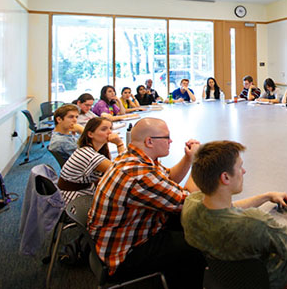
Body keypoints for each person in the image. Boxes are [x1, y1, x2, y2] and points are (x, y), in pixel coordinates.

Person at [181, 141, 287, 289]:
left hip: (227, 277)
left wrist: (266, 196)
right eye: (240, 166)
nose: (244, 171)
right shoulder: (252, 223)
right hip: (273, 277)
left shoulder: (191, 206)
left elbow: (229, 208)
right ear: (225, 177)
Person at [88, 118, 205, 287]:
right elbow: (188, 200)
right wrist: (196, 162)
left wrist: (187, 159)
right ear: (149, 141)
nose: (171, 141)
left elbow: (169, 177)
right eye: (167, 137)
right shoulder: (138, 174)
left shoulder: (132, 158)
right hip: (124, 255)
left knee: (188, 223)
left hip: (119, 238)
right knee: (194, 246)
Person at [58, 117, 125, 204]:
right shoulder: (89, 155)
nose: (110, 132)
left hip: (80, 193)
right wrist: (119, 144)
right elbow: (123, 173)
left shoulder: (87, 149)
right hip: (75, 202)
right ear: (90, 134)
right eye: (104, 129)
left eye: (110, 128)